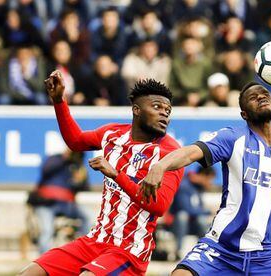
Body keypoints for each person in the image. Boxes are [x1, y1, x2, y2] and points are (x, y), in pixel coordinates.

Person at [142, 82, 271, 276]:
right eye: (253, 98)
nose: (261, 97)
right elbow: (190, 152)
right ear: (244, 114)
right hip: (221, 249)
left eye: (265, 95)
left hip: (268, 256)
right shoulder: (232, 138)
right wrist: (161, 165)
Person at [19, 71, 184, 276]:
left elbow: (159, 205)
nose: (164, 114)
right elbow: (75, 141)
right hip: (94, 240)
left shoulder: (171, 153)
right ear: (136, 110)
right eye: (157, 107)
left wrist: (117, 175)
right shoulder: (112, 134)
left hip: (128, 251)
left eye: (168, 110)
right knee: (29, 273)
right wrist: (59, 102)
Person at [28, 148, 90, 254]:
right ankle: (44, 262)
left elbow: (85, 187)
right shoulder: (56, 158)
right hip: (46, 203)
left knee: (89, 217)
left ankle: (82, 252)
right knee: (47, 230)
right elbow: (45, 170)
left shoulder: (77, 167)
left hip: (67, 205)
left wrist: (80, 179)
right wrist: (65, 158)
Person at [170, 166, 215, 259]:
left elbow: (198, 208)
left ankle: (205, 251)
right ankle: (177, 251)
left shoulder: (198, 188)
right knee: (182, 215)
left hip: (193, 224)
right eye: (210, 179)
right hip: (177, 224)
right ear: (203, 176)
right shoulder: (184, 186)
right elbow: (185, 208)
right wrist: (207, 211)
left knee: (201, 220)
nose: (210, 183)